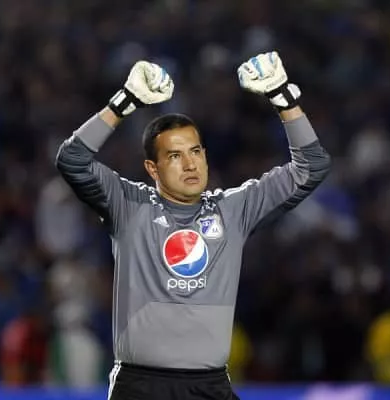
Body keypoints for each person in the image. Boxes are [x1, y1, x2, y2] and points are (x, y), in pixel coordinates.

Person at [55, 51, 331, 400]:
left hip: (210, 387)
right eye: (175, 155)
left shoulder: (233, 210)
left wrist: (283, 96)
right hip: (141, 388)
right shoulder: (129, 205)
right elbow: (73, 160)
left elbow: (312, 166)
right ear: (152, 169)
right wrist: (123, 102)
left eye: (196, 151)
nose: (190, 164)